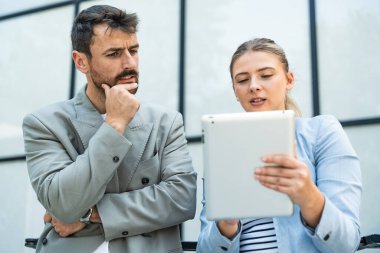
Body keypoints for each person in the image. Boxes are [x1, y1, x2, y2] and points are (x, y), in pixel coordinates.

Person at [22, 5, 197, 253]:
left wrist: (92, 214)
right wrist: (114, 125)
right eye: (114, 53)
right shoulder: (44, 123)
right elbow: (63, 203)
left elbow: (181, 200)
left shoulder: (166, 121)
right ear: (81, 61)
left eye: (133, 50)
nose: (129, 63)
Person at [196, 38, 362, 253]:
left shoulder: (322, 132)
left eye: (265, 75)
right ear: (235, 91)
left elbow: (346, 245)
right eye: (243, 80)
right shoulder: (221, 149)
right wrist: (225, 223)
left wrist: (309, 197)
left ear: (289, 80)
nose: (254, 86)